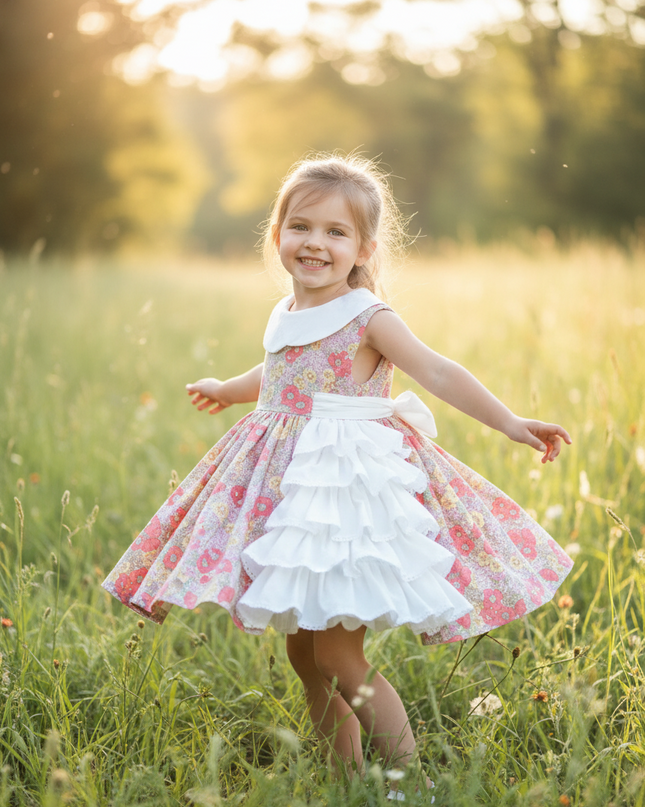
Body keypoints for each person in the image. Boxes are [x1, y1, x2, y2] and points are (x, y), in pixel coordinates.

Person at [102, 154, 573, 800]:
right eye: (300, 226)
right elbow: (275, 373)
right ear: (277, 235)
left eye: (334, 232)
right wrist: (227, 387)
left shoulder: (366, 315)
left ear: (362, 248)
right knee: (304, 656)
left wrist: (511, 420)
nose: (314, 243)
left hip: (344, 494)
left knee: (338, 655)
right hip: (293, 494)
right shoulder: (285, 310)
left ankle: (412, 776)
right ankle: (344, 777)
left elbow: (436, 371)